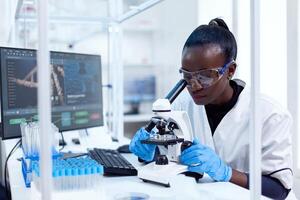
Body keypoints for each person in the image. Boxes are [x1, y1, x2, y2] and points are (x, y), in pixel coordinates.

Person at [129, 18, 293, 199]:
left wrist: (226, 172)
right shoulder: (181, 106)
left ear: (230, 70)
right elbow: (171, 159)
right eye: (187, 76)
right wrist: (148, 154)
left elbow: (279, 189)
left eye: (205, 76)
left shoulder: (269, 114)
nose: (195, 86)